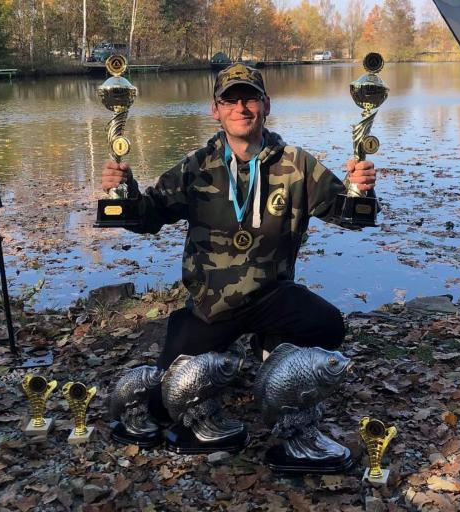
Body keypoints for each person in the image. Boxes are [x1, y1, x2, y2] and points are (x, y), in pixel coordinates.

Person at [101, 63, 376, 371]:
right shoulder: (196, 166)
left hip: (273, 297)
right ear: (215, 110)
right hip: (211, 306)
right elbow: (149, 216)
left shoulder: (297, 164)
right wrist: (125, 191)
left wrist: (360, 190)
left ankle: (271, 344)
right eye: (229, 100)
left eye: (250, 98)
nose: (240, 108)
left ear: (266, 105)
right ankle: (218, 349)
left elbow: (349, 216)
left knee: (329, 326)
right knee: (168, 387)